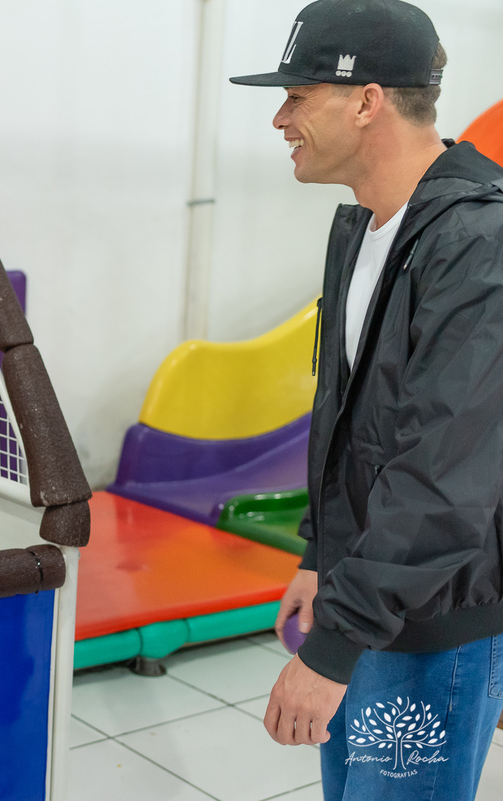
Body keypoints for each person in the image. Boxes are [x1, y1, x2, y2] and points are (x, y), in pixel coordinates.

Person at [230, 1, 503, 798]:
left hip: (428, 632)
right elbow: (345, 421)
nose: (280, 118)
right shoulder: (360, 227)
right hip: (364, 598)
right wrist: (320, 554)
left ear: (365, 100)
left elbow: (445, 479)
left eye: (297, 95)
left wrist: (335, 649)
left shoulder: (478, 246)